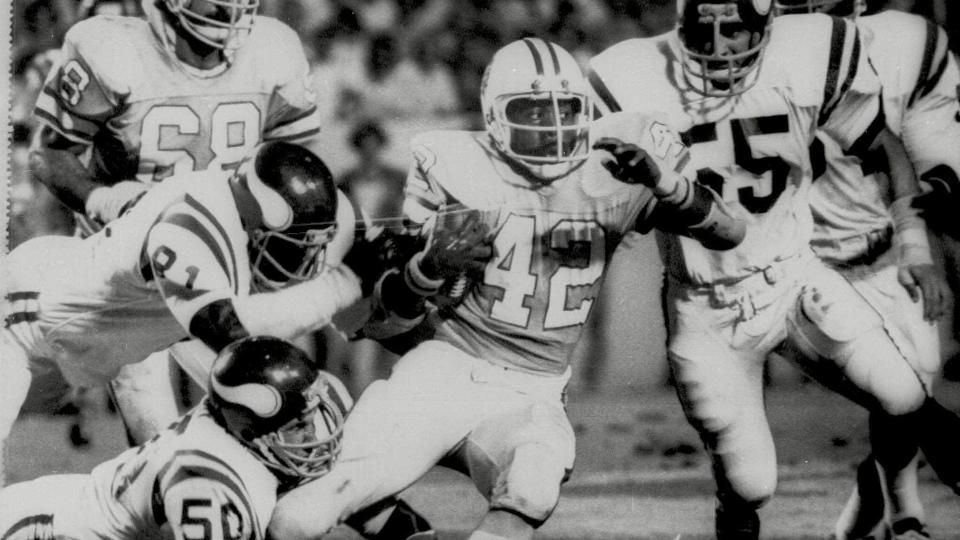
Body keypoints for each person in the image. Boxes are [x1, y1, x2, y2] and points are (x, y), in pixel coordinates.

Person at [268, 37, 746, 540]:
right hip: (441, 371)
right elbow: (385, 323)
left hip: (531, 390)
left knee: (533, 479)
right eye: (534, 113)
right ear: (495, 117)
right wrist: (428, 268)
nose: (554, 129)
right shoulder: (455, 165)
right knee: (299, 515)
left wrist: (666, 183)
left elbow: (729, 231)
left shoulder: (614, 168)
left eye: (565, 111)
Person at [587, 1, 960, 538]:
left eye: (734, 29)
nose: (718, 48)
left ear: (765, 25)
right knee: (750, 484)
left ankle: (900, 515)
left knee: (904, 395)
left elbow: (885, 147)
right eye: (702, 29)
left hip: (793, 276)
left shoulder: (804, 56)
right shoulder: (634, 77)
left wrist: (914, 247)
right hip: (707, 306)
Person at [0, 142, 435, 539]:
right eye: (292, 250)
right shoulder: (191, 224)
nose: (307, 264)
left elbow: (364, 312)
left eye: (313, 249)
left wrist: (414, 278)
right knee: (254, 421)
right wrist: (345, 283)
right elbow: (231, 332)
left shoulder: (287, 213)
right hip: (23, 320)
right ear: (253, 224)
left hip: (135, 340)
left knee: (281, 414)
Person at [29, 0, 324, 445]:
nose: (231, 12)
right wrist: (101, 197)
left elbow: (291, 160)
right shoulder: (112, 49)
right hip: (128, 271)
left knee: (276, 407)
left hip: (223, 260)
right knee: (157, 439)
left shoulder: (273, 48)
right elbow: (49, 152)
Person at [774, 1, 960, 538]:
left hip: (882, 251)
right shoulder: (751, 69)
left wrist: (918, 244)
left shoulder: (902, 46)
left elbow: (926, 144)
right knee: (902, 396)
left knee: (907, 391)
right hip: (806, 265)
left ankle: (861, 524)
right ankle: (906, 515)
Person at [0, 335, 352, 540]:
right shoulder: (207, 477)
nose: (309, 435)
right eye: (296, 425)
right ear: (249, 430)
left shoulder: (226, 426)